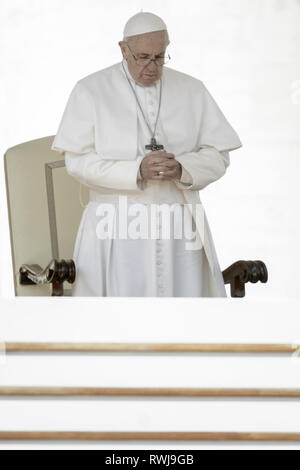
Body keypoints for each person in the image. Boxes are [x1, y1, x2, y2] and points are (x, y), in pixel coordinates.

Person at [51, 11, 242, 297]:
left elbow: (218, 155)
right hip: (115, 225)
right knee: (121, 322)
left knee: (184, 319)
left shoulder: (192, 89)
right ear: (123, 49)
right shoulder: (90, 91)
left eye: (160, 57)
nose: (152, 67)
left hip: (180, 224)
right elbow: (76, 161)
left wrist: (183, 168)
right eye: (142, 57)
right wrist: (136, 171)